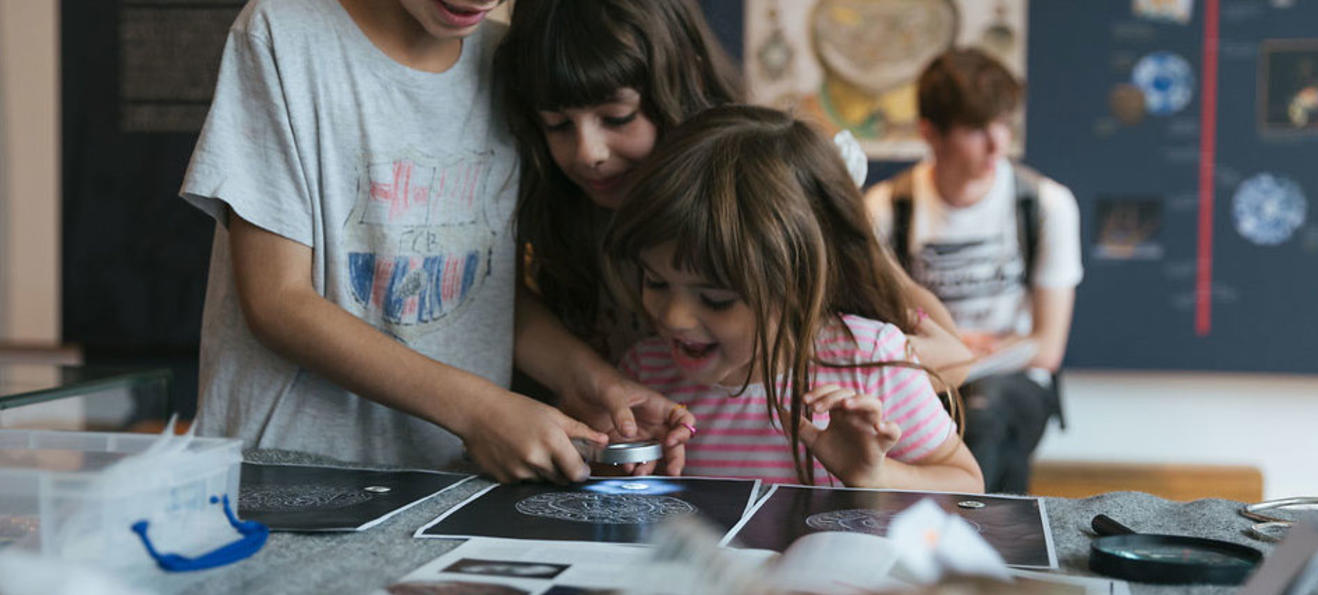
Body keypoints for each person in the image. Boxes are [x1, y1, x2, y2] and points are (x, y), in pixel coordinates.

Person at [179, 0, 655, 484]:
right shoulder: (282, 32)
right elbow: (277, 302)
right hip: (286, 473)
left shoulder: (503, 58)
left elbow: (487, 296)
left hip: (452, 482)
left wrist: (595, 382)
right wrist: (478, 410)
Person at [495, 0, 971, 407]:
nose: (588, 153)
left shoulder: (771, 191)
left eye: (618, 117)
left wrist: (811, 358)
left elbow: (951, 358)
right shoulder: (556, 213)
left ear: (682, 78)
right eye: (557, 125)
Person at [602, 105, 984, 491]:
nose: (674, 317)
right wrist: (626, 462)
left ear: (801, 284)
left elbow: (967, 484)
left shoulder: (870, 360)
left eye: (716, 299)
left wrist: (877, 476)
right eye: (656, 282)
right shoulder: (645, 372)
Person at [862, 48, 1083, 494]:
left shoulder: (1045, 204)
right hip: (924, 378)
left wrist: (956, 350)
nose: (998, 143)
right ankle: (990, 531)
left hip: (1015, 383)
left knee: (986, 410)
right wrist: (957, 347)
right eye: (977, 128)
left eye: (1003, 123)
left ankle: (952, 526)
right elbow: (872, 337)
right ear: (931, 133)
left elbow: (1048, 348)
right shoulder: (885, 209)